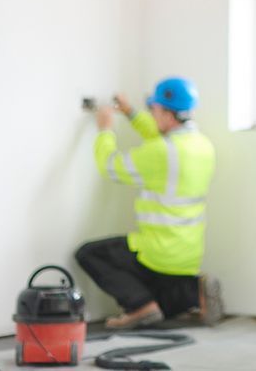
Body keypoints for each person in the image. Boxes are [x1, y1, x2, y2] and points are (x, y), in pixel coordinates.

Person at [74, 76, 221, 329]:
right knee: (164, 295)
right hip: (188, 254)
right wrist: (131, 113)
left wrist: (105, 129)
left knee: (89, 254)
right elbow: (157, 135)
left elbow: (110, 167)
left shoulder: (162, 153)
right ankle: (194, 292)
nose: (151, 115)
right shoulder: (202, 145)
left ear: (167, 113)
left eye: (153, 110)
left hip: (158, 251)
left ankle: (141, 307)